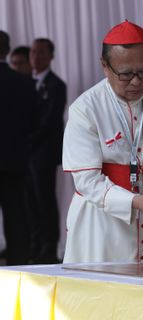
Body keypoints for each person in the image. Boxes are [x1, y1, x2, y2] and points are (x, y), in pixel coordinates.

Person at [62, 21, 143, 263]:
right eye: (125, 74)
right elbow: (87, 180)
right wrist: (132, 201)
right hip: (100, 225)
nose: (136, 82)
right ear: (105, 66)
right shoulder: (86, 108)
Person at [27, 37, 67, 263]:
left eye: (42, 52)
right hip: (26, 155)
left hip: (43, 154)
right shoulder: (25, 82)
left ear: (51, 56)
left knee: (45, 202)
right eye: (33, 52)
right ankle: (34, 245)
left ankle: (49, 248)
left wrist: (26, 139)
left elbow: (50, 121)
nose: (36, 56)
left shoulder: (56, 84)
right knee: (29, 202)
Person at [0, 31, 36, 265]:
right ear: (7, 49)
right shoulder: (24, 82)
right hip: (14, 161)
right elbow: (34, 121)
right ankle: (17, 266)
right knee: (16, 217)